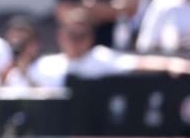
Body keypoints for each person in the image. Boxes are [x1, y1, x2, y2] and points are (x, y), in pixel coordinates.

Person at [28, 9, 190, 88]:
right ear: (60, 36)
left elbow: (139, 63)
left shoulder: (100, 58)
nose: (75, 41)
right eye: (71, 35)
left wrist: (172, 64)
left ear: (90, 38)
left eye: (81, 35)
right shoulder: (44, 65)